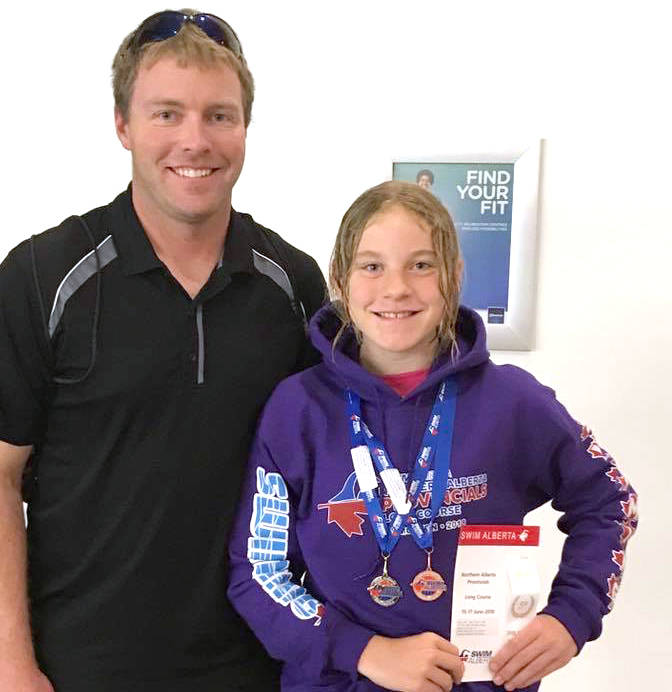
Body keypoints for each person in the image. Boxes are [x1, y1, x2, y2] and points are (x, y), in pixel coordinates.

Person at [0, 10, 326, 692]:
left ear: (246, 127)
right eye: (166, 114)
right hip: (84, 666)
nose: (195, 140)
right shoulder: (41, 278)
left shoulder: (294, 286)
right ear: (123, 125)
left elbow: (330, 471)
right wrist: (12, 663)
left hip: (260, 665)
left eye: (220, 115)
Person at [228, 181, 637, 691]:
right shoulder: (298, 409)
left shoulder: (513, 403)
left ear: (455, 276)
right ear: (341, 278)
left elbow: (611, 500)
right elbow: (259, 572)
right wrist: (364, 651)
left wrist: (571, 616)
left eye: (421, 265)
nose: (396, 288)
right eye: (372, 266)